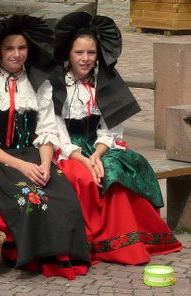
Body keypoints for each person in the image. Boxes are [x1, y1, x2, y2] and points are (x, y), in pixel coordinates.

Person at [37, 11, 182, 265]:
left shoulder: (106, 82)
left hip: (97, 146)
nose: (85, 59)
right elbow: (54, 129)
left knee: (120, 167)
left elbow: (111, 128)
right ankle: (93, 242)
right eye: (79, 53)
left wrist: (97, 154)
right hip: (65, 149)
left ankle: (129, 237)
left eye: (90, 53)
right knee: (84, 177)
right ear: (68, 54)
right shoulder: (53, 85)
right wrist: (83, 159)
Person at [0, 15, 90, 280]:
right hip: (3, 159)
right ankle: (38, 257)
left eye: (22, 48)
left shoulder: (39, 85)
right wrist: (22, 165)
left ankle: (65, 255)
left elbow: (46, 131)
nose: (17, 54)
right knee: (33, 199)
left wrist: (45, 164)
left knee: (64, 197)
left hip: (35, 154)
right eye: (9, 48)